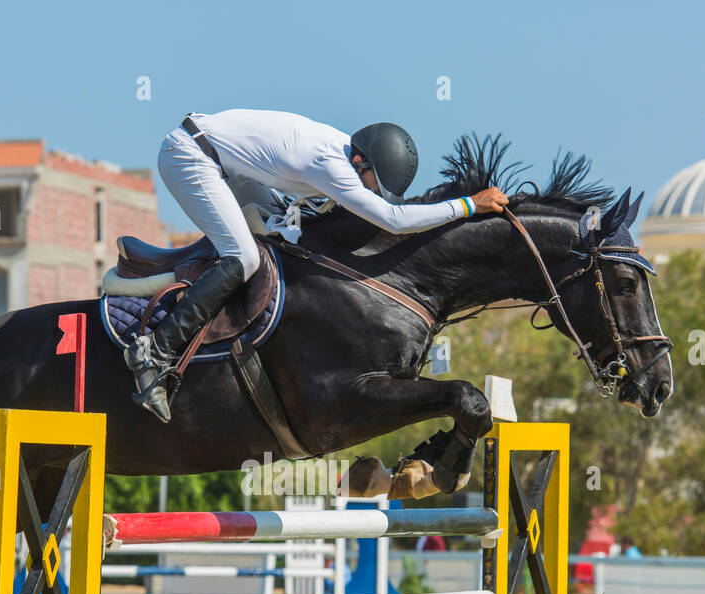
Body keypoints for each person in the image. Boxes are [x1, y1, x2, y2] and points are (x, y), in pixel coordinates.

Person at [126, 110, 510, 421]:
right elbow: (393, 220)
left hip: (224, 161)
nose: (373, 193)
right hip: (190, 157)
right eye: (375, 184)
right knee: (241, 257)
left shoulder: (344, 152)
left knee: (276, 229)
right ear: (360, 161)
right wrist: (468, 205)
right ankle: (153, 353)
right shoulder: (333, 164)